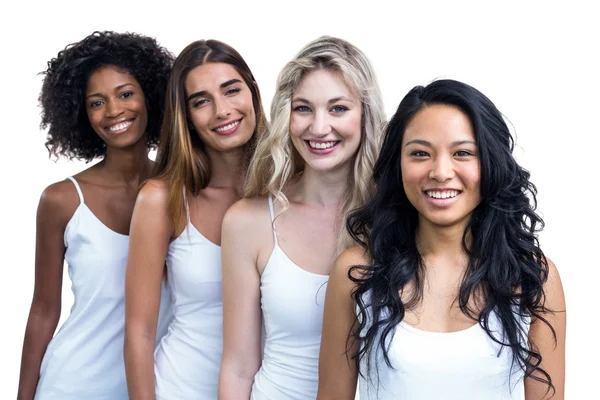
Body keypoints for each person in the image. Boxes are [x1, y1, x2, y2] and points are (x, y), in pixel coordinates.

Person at [317, 79, 566, 400]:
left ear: (490, 162)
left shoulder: (534, 277)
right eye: (420, 153)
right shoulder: (357, 271)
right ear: (398, 165)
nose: (440, 171)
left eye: (462, 152)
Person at [218, 36, 385, 400]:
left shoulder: (397, 218)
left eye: (338, 108)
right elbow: (238, 366)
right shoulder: (249, 222)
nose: (319, 127)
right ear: (285, 115)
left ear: (365, 114)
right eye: (304, 108)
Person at [17, 31, 174, 400]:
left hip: (156, 386)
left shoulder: (181, 190)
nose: (115, 111)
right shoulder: (61, 200)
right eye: (96, 102)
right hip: (73, 385)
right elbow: (43, 310)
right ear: (81, 113)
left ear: (150, 95)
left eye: (125, 93)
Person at [124, 39, 268, 400]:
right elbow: (140, 333)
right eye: (201, 101)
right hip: (180, 387)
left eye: (231, 90)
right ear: (185, 116)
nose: (222, 111)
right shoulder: (162, 198)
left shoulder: (288, 191)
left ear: (253, 92)